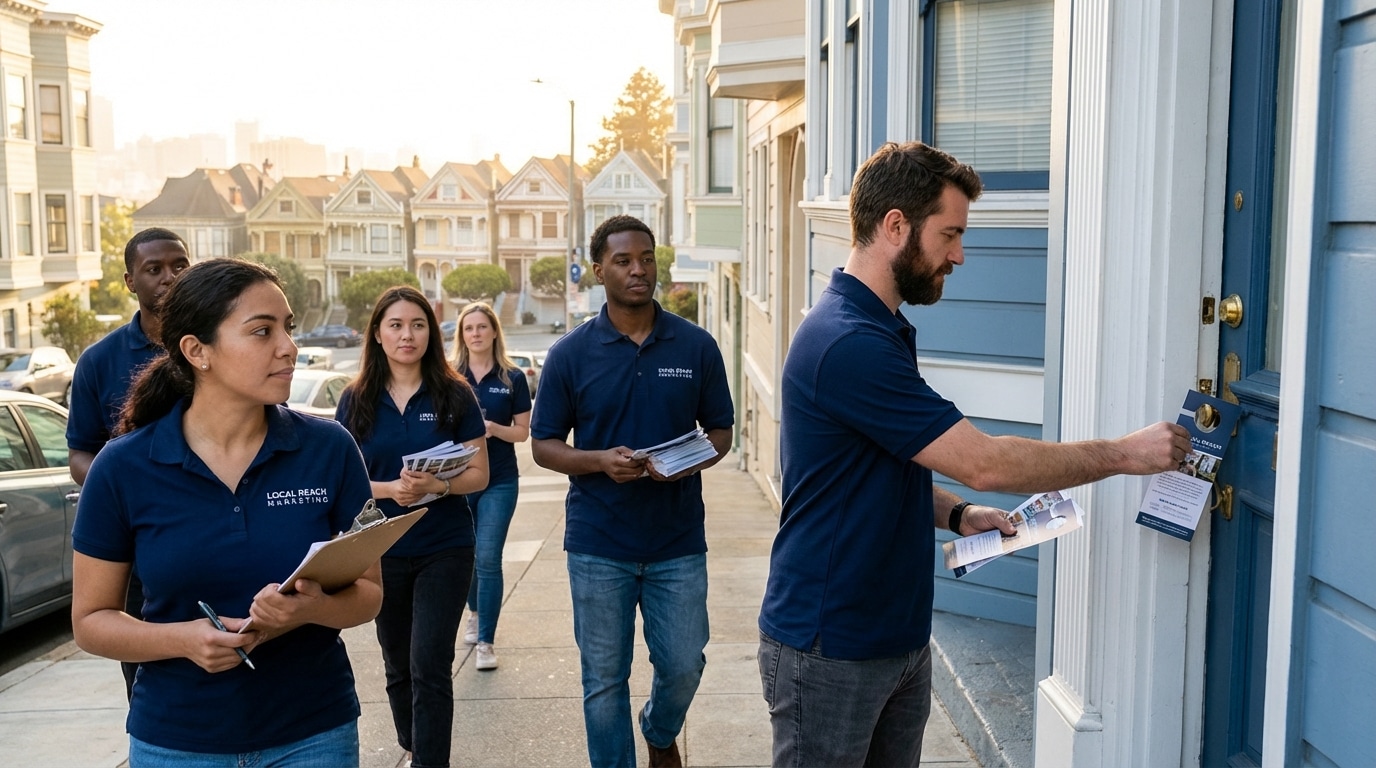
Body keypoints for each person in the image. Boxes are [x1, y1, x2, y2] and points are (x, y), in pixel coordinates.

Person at [756, 141, 1193, 767]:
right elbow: (986, 462)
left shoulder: (879, 327)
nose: (959, 254)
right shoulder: (848, 342)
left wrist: (960, 516)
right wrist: (1124, 453)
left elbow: (869, 473)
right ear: (896, 226)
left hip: (897, 639)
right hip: (832, 646)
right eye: (950, 234)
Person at [70, 258, 383, 766]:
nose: (288, 346)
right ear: (197, 351)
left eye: (288, 328)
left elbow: (368, 595)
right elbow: (90, 622)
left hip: (313, 733)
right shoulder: (123, 467)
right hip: (177, 742)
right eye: (262, 331)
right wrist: (184, 640)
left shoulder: (329, 449)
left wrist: (309, 610)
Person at [531, 215, 734, 768]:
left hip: (677, 542)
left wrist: (687, 465)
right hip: (599, 543)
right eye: (623, 260)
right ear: (599, 271)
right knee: (603, 680)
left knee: (685, 664)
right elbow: (543, 444)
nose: (638, 269)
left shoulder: (696, 346)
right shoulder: (570, 355)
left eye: (646, 257)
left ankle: (659, 729)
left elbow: (721, 432)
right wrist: (598, 462)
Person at [336, 285, 489, 768]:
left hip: (445, 544)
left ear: (431, 333)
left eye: (418, 325)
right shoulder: (355, 398)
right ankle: (413, 740)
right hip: (380, 549)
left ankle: (429, 761)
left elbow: (480, 473)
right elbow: (342, 479)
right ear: (378, 334)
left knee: (430, 664)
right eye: (397, 325)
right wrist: (389, 491)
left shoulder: (455, 393)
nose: (408, 335)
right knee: (398, 664)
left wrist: (436, 488)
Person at [66, 228, 190, 699]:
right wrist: (121, 484)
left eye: (179, 265)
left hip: (218, 532)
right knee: (148, 682)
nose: (169, 277)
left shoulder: (219, 345)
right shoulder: (99, 361)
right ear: (128, 281)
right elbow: (79, 452)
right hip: (140, 551)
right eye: (153, 269)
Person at [451, 301, 532, 671]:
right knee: (465, 558)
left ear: (494, 331)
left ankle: (486, 640)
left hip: (499, 479)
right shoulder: (451, 376)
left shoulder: (511, 377)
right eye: (469, 328)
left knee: (488, 558)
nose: (476, 334)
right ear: (462, 335)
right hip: (459, 479)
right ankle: (474, 611)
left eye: (482, 327)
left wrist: (493, 430)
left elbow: (522, 432)